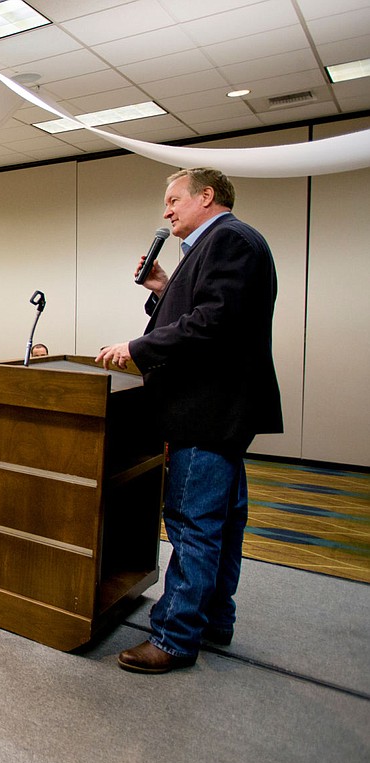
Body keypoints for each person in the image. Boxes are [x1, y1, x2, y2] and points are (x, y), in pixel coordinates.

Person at [96, 167, 282, 675]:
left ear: (207, 196)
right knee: (223, 522)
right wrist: (163, 287)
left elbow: (211, 325)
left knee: (192, 524)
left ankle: (175, 637)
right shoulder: (215, 247)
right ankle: (214, 618)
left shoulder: (229, 241)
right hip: (219, 413)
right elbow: (201, 311)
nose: (166, 210)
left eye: (174, 199)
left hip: (206, 412)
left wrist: (135, 348)